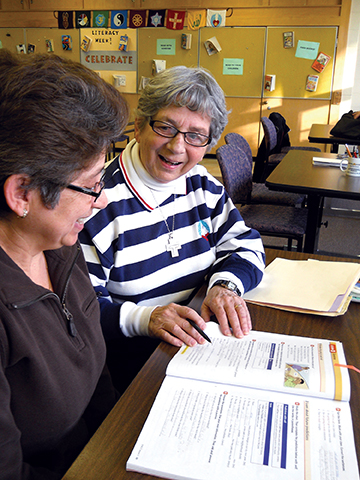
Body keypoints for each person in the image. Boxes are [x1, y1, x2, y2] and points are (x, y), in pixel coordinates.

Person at [80, 66, 265, 383]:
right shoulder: (96, 204)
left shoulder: (201, 184)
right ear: (139, 127)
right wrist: (146, 318)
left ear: (207, 144)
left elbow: (245, 244)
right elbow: (81, 311)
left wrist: (225, 286)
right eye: (166, 127)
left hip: (203, 346)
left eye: (195, 136)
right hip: (136, 365)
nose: (178, 147)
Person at [0, 50, 129, 479]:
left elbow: (97, 376)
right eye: (93, 185)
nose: (103, 199)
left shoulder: (61, 249)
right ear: (22, 193)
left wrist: (124, 442)